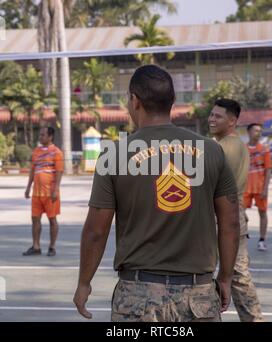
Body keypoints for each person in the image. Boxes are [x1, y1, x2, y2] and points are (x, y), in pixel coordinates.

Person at [73, 65, 240, 322]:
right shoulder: (211, 151)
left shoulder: (114, 155)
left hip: (137, 298)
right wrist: (226, 278)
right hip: (198, 295)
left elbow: (96, 231)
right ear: (172, 101)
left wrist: (84, 282)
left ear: (134, 100)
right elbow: (230, 222)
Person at [208, 99, 263, 322]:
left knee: (231, 275)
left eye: (218, 116)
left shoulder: (223, 147)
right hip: (233, 212)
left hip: (222, 214)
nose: (211, 119)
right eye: (211, 114)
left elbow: (208, 184)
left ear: (232, 121)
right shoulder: (236, 144)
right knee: (238, 275)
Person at [23, 127, 64, 257]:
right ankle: (36, 247)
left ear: (50, 137)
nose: (40, 137)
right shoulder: (36, 151)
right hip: (36, 193)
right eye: (40, 135)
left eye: (42, 135)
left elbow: (59, 172)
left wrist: (56, 189)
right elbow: (32, 170)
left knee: (52, 220)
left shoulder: (57, 152)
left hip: (50, 193)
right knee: (35, 219)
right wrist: (28, 187)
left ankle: (52, 247)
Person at [244, 123, 272, 251]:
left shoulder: (264, 149)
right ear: (249, 132)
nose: (258, 133)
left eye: (260, 131)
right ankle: (241, 237)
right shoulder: (242, 149)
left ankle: (262, 240)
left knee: (262, 213)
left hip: (260, 188)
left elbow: (268, 170)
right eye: (256, 131)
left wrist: (265, 188)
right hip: (245, 188)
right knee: (240, 214)